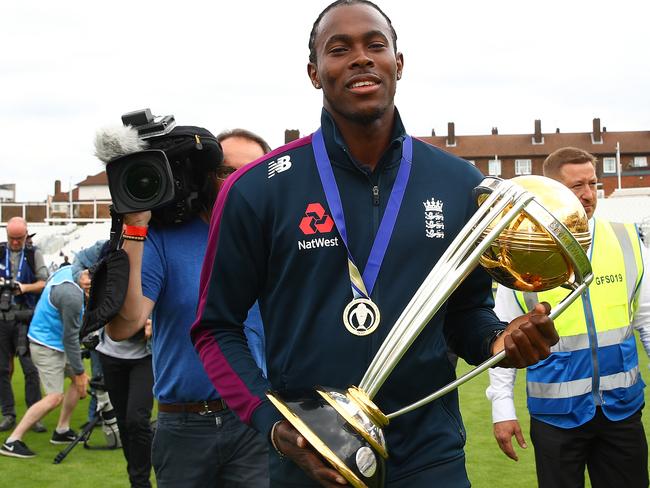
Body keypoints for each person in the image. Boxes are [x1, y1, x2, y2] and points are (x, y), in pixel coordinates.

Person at [190, 1, 559, 486]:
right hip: (313, 457)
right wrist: (274, 424)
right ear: (314, 73)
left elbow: (466, 313)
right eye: (339, 49)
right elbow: (215, 326)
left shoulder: (455, 182)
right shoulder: (259, 188)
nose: (361, 58)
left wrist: (499, 341)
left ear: (398, 64)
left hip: (429, 458)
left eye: (375, 45)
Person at [105, 124, 272, 487]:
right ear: (207, 175)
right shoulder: (166, 239)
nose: (238, 179)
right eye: (227, 170)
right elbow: (123, 326)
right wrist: (135, 226)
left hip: (255, 420)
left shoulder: (273, 237)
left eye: (252, 170)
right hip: (183, 426)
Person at [486, 147, 650, 488]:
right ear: (554, 190)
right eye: (577, 187)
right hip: (555, 417)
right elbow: (501, 340)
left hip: (621, 409)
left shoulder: (625, 240)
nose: (588, 195)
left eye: (593, 183)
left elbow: (647, 322)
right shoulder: (522, 252)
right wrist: (503, 409)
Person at [0, 264, 89, 458]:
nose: (89, 280)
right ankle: (12, 441)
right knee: (54, 397)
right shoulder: (71, 295)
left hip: (53, 342)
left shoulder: (68, 271)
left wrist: (80, 374)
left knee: (79, 380)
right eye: (88, 275)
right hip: (47, 346)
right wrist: (80, 372)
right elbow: (70, 338)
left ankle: (62, 431)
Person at [0, 217, 47, 434]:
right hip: (2, 318)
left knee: (30, 369)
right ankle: (8, 414)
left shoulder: (33, 253)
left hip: (26, 317)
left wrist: (24, 288)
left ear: (26, 235)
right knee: (2, 369)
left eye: (19, 238)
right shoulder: (1, 251)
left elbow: (44, 282)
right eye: (12, 238)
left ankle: (34, 416)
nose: (15, 242)